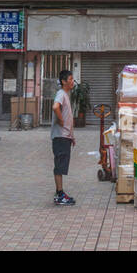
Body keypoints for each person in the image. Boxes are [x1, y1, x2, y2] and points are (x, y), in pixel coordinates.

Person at [51, 69, 76, 206]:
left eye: (73, 79)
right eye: (70, 79)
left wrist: (71, 136)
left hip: (64, 136)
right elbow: (55, 107)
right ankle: (60, 195)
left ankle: (59, 193)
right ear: (63, 81)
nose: (72, 82)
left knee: (60, 165)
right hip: (60, 137)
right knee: (59, 166)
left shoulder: (65, 94)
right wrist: (60, 121)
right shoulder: (61, 94)